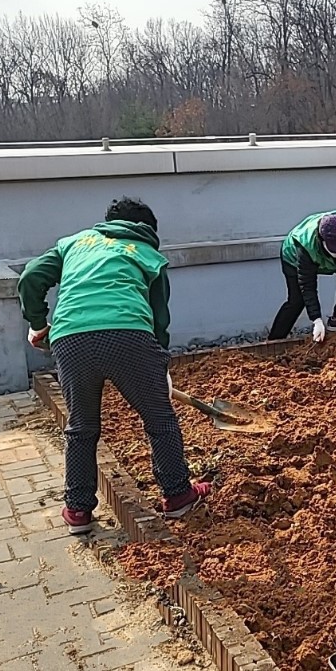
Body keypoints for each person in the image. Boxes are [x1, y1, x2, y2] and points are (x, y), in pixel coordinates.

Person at [18, 197, 210, 535]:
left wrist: (36, 322)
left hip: (70, 337)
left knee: (81, 426)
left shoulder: (73, 243)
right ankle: (177, 494)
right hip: (128, 334)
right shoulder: (149, 255)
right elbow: (159, 317)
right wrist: (159, 364)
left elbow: (32, 276)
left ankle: (77, 510)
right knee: (159, 419)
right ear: (148, 230)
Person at [268, 211, 336, 342]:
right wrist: (317, 320)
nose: (335, 253)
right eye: (332, 248)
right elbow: (307, 286)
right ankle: (275, 340)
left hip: (331, 257)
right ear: (321, 238)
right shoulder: (305, 246)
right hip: (293, 259)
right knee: (297, 300)